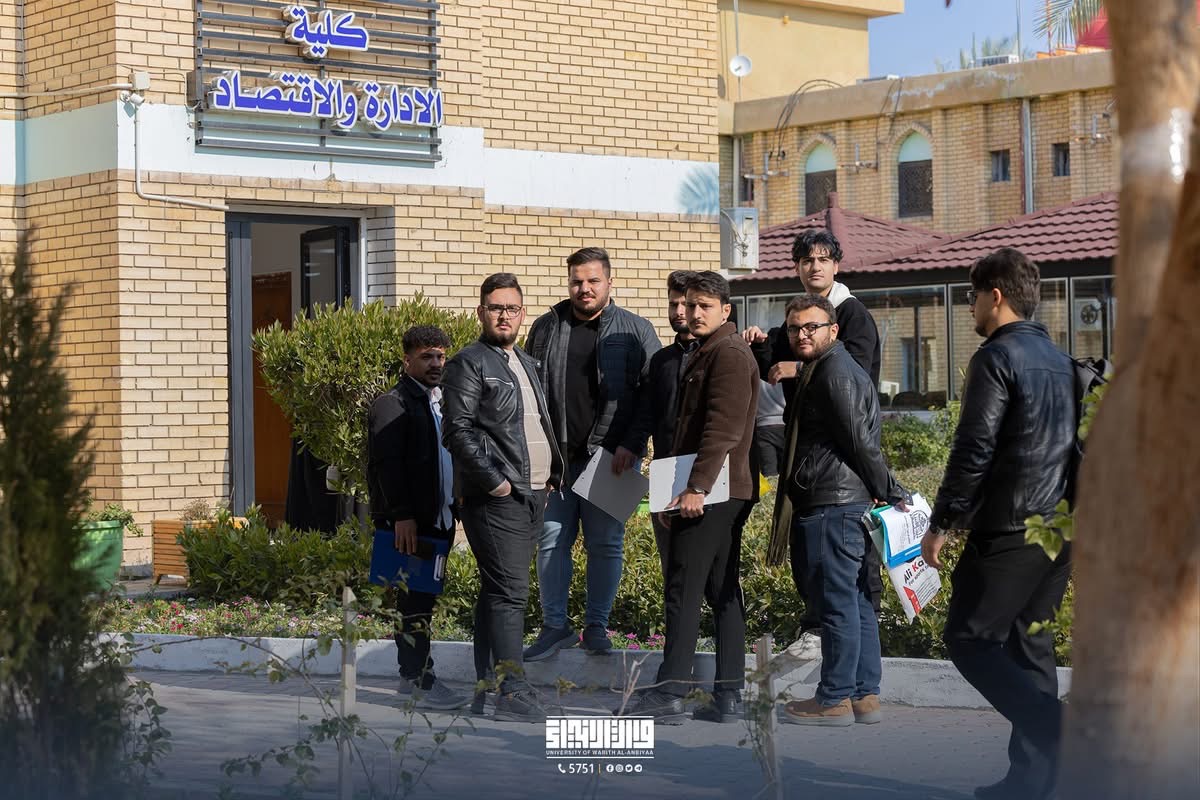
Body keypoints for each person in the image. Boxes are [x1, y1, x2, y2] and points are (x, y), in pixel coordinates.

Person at [920, 248, 1075, 800]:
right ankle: (1030, 783)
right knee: (1030, 648)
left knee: (969, 640)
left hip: (1012, 528)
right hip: (1061, 529)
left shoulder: (996, 357)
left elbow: (974, 448)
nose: (970, 306)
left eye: (972, 295)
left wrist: (942, 522)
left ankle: (1066, 734)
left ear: (996, 295)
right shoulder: (1061, 360)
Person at [622, 271, 759, 725]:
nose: (694, 313)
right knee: (721, 589)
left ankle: (670, 691)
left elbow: (723, 428)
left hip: (712, 490)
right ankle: (728, 695)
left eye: (705, 306)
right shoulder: (706, 350)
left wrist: (696, 488)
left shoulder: (728, 352)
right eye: (690, 304)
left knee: (682, 587)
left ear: (726, 310)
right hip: (707, 486)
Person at [744, 228, 884, 657]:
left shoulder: (853, 314)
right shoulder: (799, 316)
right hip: (806, 456)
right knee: (812, 556)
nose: (815, 267)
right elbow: (768, 361)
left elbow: (851, 375)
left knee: (847, 569)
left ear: (836, 265)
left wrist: (798, 368)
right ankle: (850, 668)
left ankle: (837, 665)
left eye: (823, 259)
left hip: (843, 457)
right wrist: (756, 342)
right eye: (807, 260)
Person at [773, 294, 909, 727]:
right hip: (845, 503)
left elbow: (859, 442)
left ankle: (833, 698)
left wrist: (889, 489)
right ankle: (864, 695)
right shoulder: (832, 368)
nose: (802, 334)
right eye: (794, 328)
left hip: (833, 504)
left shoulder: (833, 372)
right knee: (857, 600)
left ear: (833, 330)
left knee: (837, 605)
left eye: (811, 326)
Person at [523, 247, 661, 661]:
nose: (584, 288)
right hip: (557, 462)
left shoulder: (636, 330)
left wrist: (633, 444)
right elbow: (531, 392)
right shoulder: (546, 326)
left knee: (606, 545)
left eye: (592, 281)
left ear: (609, 282)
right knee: (550, 541)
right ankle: (555, 627)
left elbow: (653, 395)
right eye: (576, 281)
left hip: (612, 459)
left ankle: (596, 626)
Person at [441, 273, 565, 723]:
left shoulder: (526, 362)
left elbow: (537, 424)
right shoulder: (469, 363)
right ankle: (512, 691)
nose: (504, 316)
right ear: (481, 312)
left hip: (533, 493)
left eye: (512, 308)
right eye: (495, 308)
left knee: (497, 590)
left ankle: (484, 688)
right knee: (511, 593)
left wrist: (550, 477)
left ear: (522, 313)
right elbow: (456, 431)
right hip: (497, 498)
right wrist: (497, 483)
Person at [367, 325, 470, 712]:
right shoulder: (392, 404)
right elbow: (387, 466)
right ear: (407, 360)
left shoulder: (441, 401)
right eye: (427, 356)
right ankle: (417, 678)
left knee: (424, 598)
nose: (436, 363)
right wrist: (402, 516)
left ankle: (412, 676)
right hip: (410, 523)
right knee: (414, 601)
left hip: (439, 518)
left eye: (441, 356)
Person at [631, 269, 698, 576]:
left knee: (711, 577)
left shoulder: (721, 355)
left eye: (687, 304)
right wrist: (629, 448)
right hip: (665, 474)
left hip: (709, 477)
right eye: (674, 304)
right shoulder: (660, 360)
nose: (680, 311)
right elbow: (646, 414)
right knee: (671, 571)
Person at [754, 380, 786, 478]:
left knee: (769, 474)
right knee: (788, 472)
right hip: (785, 424)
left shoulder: (756, 372)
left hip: (763, 425)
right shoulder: (789, 372)